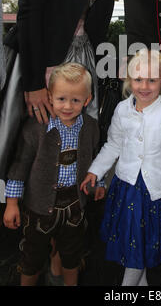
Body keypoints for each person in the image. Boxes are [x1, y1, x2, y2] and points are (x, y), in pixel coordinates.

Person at [81, 49, 161, 286]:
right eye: (139, 79)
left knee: (139, 246)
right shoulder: (122, 110)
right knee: (133, 245)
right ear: (129, 80)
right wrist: (96, 170)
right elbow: (113, 145)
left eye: (152, 80)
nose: (144, 86)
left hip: (155, 194)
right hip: (126, 190)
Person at [3, 62, 105, 286]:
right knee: (31, 256)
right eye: (61, 99)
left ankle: (66, 281)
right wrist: (11, 203)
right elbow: (19, 167)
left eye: (76, 100)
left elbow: (96, 160)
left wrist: (99, 182)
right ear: (49, 97)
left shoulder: (90, 128)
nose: (67, 106)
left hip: (75, 206)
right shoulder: (36, 128)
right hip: (39, 210)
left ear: (87, 100)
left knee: (72, 254)